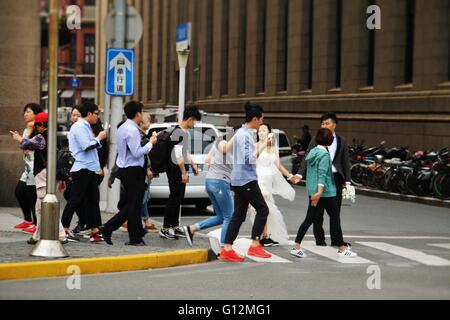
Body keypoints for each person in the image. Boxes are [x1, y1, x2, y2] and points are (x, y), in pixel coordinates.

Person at [291, 128, 357, 259]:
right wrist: (320, 191)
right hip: (326, 193)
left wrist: (314, 192)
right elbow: (322, 174)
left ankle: (296, 246)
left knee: (309, 219)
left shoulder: (313, 152)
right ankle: (342, 248)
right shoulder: (325, 155)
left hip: (313, 191)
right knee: (335, 218)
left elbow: (311, 173)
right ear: (330, 141)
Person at [220, 102, 272, 262]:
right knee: (263, 209)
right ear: (255, 119)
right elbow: (249, 158)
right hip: (246, 180)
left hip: (239, 179)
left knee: (239, 215)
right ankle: (255, 245)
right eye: (261, 120)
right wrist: (264, 144)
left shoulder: (242, 132)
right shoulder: (245, 135)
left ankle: (227, 249)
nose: (262, 123)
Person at [100, 101, 157, 246]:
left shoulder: (123, 127)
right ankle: (111, 229)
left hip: (126, 169)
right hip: (133, 170)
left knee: (134, 205)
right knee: (133, 206)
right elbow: (137, 152)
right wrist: (151, 143)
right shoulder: (132, 130)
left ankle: (135, 236)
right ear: (138, 113)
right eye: (142, 112)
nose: (143, 115)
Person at [11, 112, 67, 244]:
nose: (37, 127)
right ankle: (37, 235)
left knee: (46, 204)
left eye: (38, 125)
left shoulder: (42, 137)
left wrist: (18, 137)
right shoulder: (54, 136)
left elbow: (25, 144)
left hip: (43, 174)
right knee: (39, 207)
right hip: (52, 174)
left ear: (42, 125)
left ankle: (61, 235)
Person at [60, 102, 107, 243]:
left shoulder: (85, 126)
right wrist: (99, 138)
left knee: (93, 200)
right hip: (82, 168)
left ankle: (95, 230)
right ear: (89, 114)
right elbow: (86, 146)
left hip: (90, 168)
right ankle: (64, 229)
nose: (97, 117)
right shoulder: (79, 127)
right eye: (96, 114)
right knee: (75, 199)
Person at [182, 130, 235, 247]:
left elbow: (207, 160)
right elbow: (224, 149)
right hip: (219, 182)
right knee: (229, 217)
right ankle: (224, 247)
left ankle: (191, 229)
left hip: (210, 181)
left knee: (221, 216)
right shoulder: (224, 144)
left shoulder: (219, 143)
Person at [249, 123, 297, 247]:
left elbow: (278, 165)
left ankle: (263, 235)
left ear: (270, 132)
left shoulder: (273, 148)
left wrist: (290, 176)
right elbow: (253, 158)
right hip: (259, 179)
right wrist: (264, 144)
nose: (261, 133)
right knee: (263, 207)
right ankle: (263, 236)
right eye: (259, 131)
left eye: (264, 130)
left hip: (268, 181)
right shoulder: (256, 146)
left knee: (267, 209)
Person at [158, 106, 202, 240]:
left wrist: (193, 164)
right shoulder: (179, 132)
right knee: (174, 197)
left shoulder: (182, 132)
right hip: (175, 169)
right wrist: (183, 172)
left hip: (178, 169)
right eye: (194, 121)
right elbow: (178, 155)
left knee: (178, 197)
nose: (195, 124)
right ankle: (165, 228)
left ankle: (174, 226)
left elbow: (184, 151)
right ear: (189, 119)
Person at [10, 103, 42, 234]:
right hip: (28, 167)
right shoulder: (26, 129)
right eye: (25, 112)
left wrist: (19, 139)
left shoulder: (38, 129)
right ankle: (28, 220)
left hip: (36, 166)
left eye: (28, 112)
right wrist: (21, 139)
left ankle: (35, 223)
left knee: (32, 195)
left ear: (36, 114)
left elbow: (31, 145)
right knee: (19, 192)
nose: (25, 114)